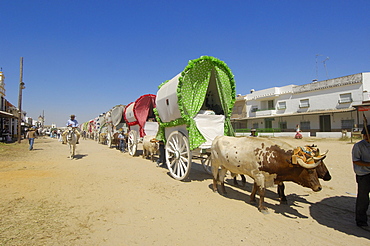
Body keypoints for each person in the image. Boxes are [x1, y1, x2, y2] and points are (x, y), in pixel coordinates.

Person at [352, 124, 370, 229]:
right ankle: (361, 221)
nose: (366, 137)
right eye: (365, 135)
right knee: (363, 198)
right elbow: (356, 160)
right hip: (363, 175)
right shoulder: (359, 146)